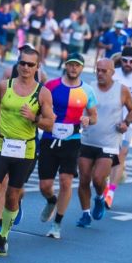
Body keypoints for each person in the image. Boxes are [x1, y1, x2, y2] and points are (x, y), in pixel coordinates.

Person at [0, 47, 55, 256]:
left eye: (30, 64)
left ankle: (3, 236)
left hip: (25, 149)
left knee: (13, 195)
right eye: (23, 63)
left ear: (37, 67)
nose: (26, 67)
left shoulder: (43, 93)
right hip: (1, 144)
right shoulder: (5, 86)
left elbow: (50, 124)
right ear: (17, 64)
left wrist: (34, 118)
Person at [38, 53, 97, 239]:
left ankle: (57, 224)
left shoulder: (87, 90)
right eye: (71, 64)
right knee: (45, 185)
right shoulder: (51, 86)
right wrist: (45, 116)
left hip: (72, 140)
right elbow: (38, 107)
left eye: (77, 65)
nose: (73, 68)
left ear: (82, 68)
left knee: (66, 181)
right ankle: (51, 200)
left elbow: (94, 116)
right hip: (50, 138)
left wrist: (88, 119)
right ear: (65, 65)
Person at [76, 58, 132, 227]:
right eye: (98, 70)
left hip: (109, 142)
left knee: (98, 178)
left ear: (112, 72)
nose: (100, 74)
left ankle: (100, 197)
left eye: (104, 71)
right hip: (87, 139)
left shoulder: (121, 90)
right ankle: (85, 214)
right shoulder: (88, 88)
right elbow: (79, 108)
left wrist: (126, 123)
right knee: (84, 179)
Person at [106, 46, 132, 208]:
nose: (128, 64)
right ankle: (104, 183)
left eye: (131, 61)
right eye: (125, 61)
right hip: (109, 122)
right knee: (106, 157)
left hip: (128, 123)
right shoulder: (113, 73)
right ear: (121, 60)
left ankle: (110, 193)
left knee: (121, 156)